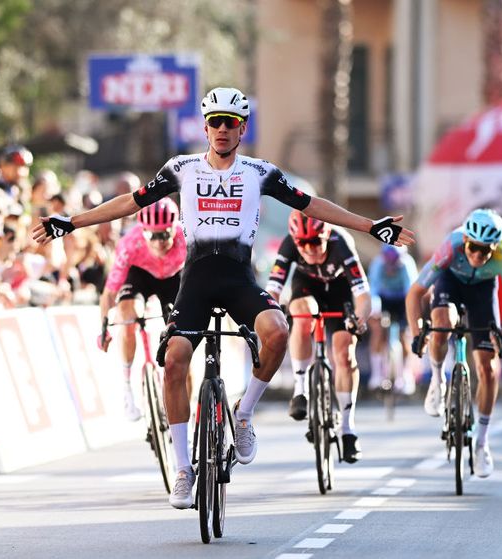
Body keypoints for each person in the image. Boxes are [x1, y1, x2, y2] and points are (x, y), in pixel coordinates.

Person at [32, 86, 414, 509]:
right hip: (194, 281)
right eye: (214, 122)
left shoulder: (259, 172)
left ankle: (245, 411)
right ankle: (182, 469)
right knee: (175, 361)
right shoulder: (182, 168)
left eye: (230, 123)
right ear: (205, 126)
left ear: (242, 128)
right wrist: (71, 222)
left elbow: (313, 205)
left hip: (238, 280)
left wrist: (368, 225)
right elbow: (130, 202)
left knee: (278, 331)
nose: (222, 130)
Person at [405, 208, 502, 478]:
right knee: (442, 323)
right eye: (473, 248)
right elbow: (415, 292)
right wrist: (416, 333)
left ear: (495, 247)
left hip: (483, 291)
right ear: (466, 241)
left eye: (485, 251)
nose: (477, 256)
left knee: (488, 368)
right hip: (451, 282)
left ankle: (482, 443)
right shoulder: (451, 245)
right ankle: (437, 380)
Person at [265, 211, 371, 463]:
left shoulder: (340, 242)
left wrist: (359, 319)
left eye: (315, 242)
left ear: (326, 236)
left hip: (340, 290)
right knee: (301, 314)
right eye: (303, 243)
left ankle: (348, 429)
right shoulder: (289, 244)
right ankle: (301, 389)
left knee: (344, 352)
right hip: (307, 287)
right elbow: (272, 289)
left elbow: (363, 295)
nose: (309, 249)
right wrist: (268, 313)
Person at [98, 198, 186, 421]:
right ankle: (128, 387)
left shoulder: (188, 239)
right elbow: (109, 293)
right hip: (141, 276)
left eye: (164, 235)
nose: (158, 243)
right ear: (143, 231)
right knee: (128, 318)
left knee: (183, 344)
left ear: (175, 229)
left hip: (174, 276)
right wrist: (104, 326)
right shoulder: (130, 243)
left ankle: (185, 411)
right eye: (152, 236)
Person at [367, 244, 419, 394]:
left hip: (402, 298)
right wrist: (375, 309)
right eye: (388, 264)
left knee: (405, 335)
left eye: (394, 264)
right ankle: (376, 374)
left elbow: (411, 291)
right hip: (384, 299)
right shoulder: (378, 264)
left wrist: (411, 314)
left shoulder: (407, 264)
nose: (391, 269)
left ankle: (405, 374)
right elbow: (373, 289)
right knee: (378, 330)